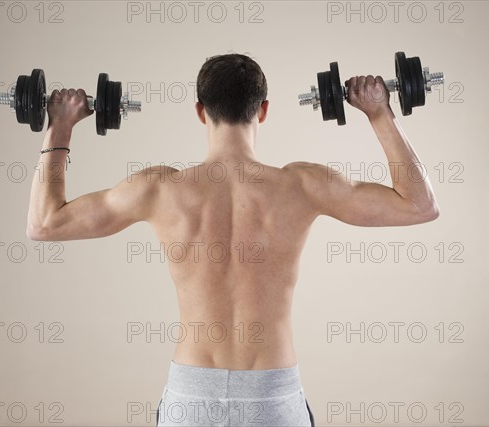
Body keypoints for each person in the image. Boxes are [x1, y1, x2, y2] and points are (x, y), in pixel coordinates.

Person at [26, 53, 439, 426]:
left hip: (192, 398)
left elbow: (45, 224)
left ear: (201, 112)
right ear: (262, 111)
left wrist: (60, 126)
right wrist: (380, 112)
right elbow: (419, 206)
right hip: (272, 397)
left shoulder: (158, 189)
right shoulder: (303, 186)